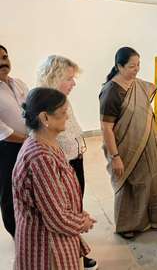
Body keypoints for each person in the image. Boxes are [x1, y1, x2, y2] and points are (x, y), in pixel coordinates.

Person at [13, 87, 96, 270]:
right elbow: (57, 218)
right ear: (45, 118)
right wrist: (82, 222)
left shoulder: (46, 143)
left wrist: (78, 215)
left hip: (53, 237)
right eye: (63, 112)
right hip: (46, 247)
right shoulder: (41, 158)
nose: (67, 117)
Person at [99, 47, 157, 239]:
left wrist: (156, 134)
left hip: (147, 143)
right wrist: (115, 157)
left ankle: (156, 218)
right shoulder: (110, 92)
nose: (137, 69)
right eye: (132, 66)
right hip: (125, 146)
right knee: (131, 184)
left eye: (138, 65)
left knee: (151, 178)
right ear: (119, 66)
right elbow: (106, 128)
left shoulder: (139, 85)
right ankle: (128, 225)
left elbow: (147, 111)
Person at [37, 55, 98, 270]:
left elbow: (71, 128)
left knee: (75, 203)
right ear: (55, 76)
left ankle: (78, 251)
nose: (74, 83)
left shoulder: (61, 97)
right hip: (60, 164)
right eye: (69, 78)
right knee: (65, 212)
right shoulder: (44, 101)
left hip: (74, 158)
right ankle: (72, 254)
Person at [0, 44, 28, 238]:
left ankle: (30, 230)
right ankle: (17, 235)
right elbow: (2, 131)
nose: (3, 62)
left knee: (28, 188)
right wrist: (27, 140)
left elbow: (32, 108)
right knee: (9, 194)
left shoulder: (18, 83)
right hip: (6, 150)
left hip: (27, 145)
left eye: (5, 57)